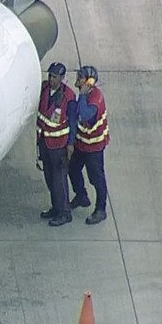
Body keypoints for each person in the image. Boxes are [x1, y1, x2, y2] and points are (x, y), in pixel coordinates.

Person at [36, 62, 78, 227]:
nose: (52, 79)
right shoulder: (45, 90)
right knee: (49, 178)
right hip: (45, 142)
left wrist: (70, 144)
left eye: (55, 77)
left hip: (59, 145)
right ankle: (56, 207)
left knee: (59, 179)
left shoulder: (69, 97)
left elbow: (73, 122)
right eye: (50, 76)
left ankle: (64, 212)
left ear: (62, 78)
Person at [67, 65, 110, 225]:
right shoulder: (84, 95)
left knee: (96, 177)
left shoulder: (94, 99)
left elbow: (84, 114)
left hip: (94, 147)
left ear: (89, 82)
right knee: (72, 168)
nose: (77, 80)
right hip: (82, 143)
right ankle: (81, 196)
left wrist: (83, 95)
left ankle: (101, 209)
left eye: (80, 77)